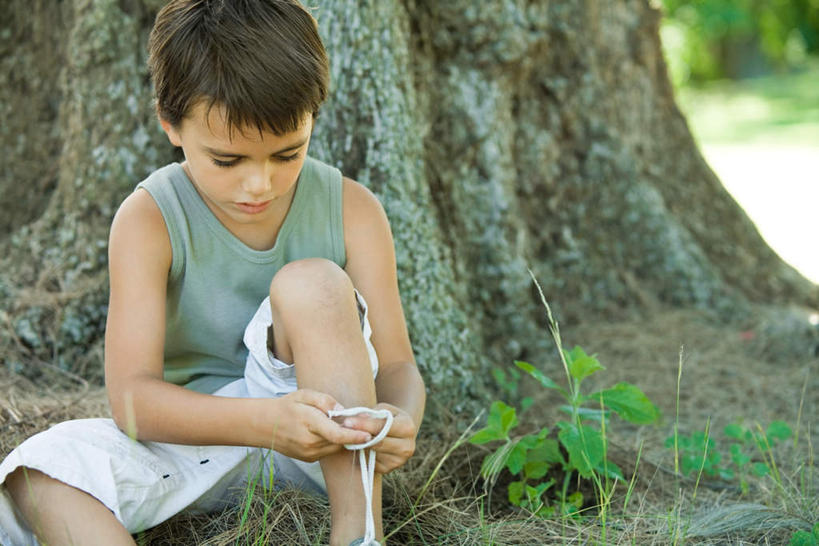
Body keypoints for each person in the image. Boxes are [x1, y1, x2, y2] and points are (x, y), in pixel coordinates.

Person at [0, 1, 425, 545]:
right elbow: (132, 400)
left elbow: (396, 364)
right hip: (192, 445)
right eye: (228, 161)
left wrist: (397, 416)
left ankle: (359, 534)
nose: (261, 185)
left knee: (312, 285)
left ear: (314, 115)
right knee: (40, 472)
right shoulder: (150, 218)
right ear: (169, 122)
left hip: (328, 444)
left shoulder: (352, 209)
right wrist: (266, 424)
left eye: (287, 154)